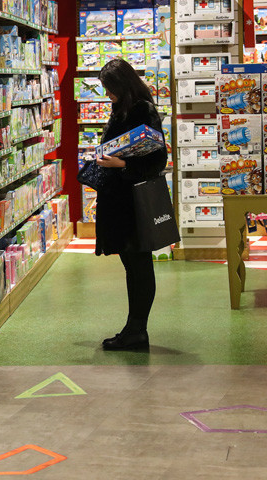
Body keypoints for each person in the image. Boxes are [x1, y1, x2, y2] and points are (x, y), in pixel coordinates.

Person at [94, 58, 168, 351]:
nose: (107, 95)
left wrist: (120, 163)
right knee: (132, 266)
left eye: (110, 89)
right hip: (120, 200)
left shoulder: (142, 110)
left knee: (139, 266)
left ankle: (138, 330)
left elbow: (156, 160)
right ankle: (133, 328)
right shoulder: (122, 107)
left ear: (123, 85)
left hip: (135, 201)